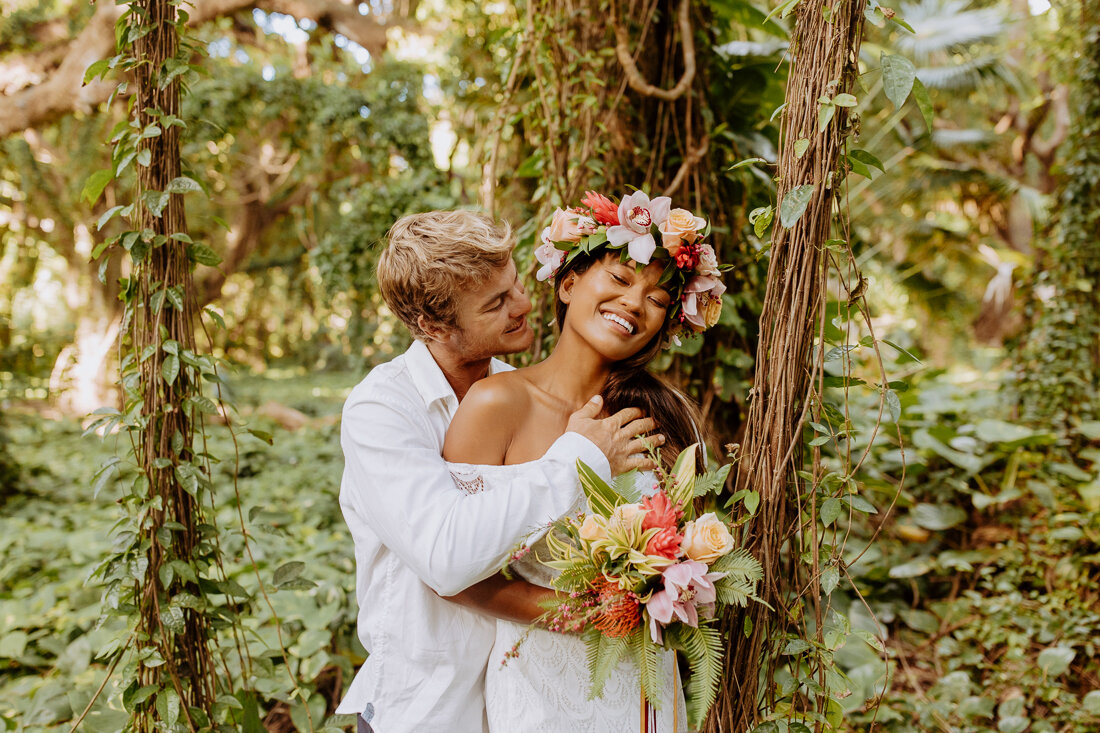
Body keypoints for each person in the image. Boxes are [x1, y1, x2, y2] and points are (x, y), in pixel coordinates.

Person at [334, 210, 661, 733]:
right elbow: (447, 556)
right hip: (429, 709)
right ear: (433, 326)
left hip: (531, 701)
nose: (525, 305)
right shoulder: (382, 410)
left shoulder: (520, 392)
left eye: (514, 287)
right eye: (497, 303)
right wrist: (579, 460)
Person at [441, 192, 723, 732]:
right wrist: (587, 615)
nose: (634, 303)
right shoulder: (497, 403)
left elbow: (688, 549)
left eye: (658, 298)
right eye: (619, 279)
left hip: (643, 681)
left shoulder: (666, 417)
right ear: (568, 284)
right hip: (538, 680)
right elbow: (455, 572)